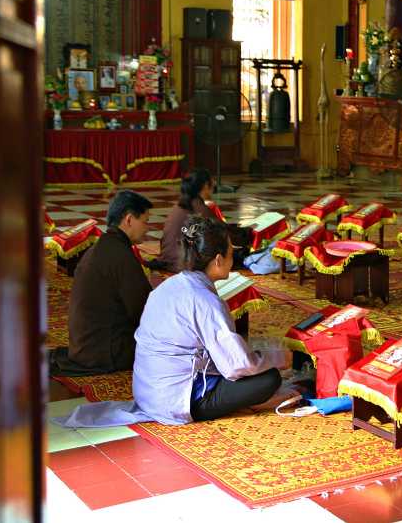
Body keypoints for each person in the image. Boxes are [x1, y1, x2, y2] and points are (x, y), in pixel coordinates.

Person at [133, 216, 288, 424]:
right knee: (268, 379)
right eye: (231, 254)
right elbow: (236, 366)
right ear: (218, 260)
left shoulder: (168, 285)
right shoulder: (205, 301)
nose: (233, 261)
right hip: (177, 400)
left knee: (248, 359)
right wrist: (277, 358)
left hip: (146, 391)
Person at [49, 190, 153, 376]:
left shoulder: (104, 246)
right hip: (105, 353)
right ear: (129, 220)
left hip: (84, 346)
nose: (148, 228)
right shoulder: (120, 255)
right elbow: (144, 310)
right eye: (145, 222)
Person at [156, 168, 252, 271]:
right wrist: (249, 233)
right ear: (206, 185)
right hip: (183, 264)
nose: (214, 184)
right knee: (240, 256)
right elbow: (226, 235)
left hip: (168, 259)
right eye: (212, 181)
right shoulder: (200, 209)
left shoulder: (179, 205)